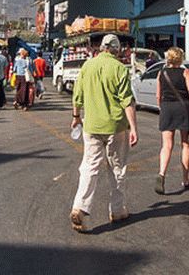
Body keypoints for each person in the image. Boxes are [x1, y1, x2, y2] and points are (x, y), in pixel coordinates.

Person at [69, 34, 138, 232]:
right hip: (116, 126)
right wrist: (133, 127)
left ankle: (80, 207)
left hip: (91, 125)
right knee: (117, 168)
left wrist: (76, 116)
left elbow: (78, 95)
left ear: (101, 48)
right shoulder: (119, 69)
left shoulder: (87, 66)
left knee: (89, 166)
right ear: (116, 49)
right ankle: (117, 211)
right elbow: (127, 101)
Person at [155, 46, 189, 194]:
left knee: (166, 145)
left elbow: (158, 96)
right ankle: (185, 179)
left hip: (167, 108)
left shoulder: (161, 73)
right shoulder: (185, 72)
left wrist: (163, 108)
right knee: (186, 144)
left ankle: (161, 174)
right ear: (180, 58)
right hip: (183, 108)